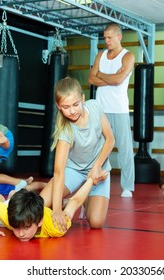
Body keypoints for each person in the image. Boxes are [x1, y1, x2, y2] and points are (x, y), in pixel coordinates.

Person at [38, 77, 114, 232]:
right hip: (74, 170)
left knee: (96, 222)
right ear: (58, 106)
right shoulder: (65, 132)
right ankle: (65, 201)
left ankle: (83, 200)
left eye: (75, 104)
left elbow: (110, 140)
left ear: (83, 99)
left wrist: (97, 166)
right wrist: (57, 210)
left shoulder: (94, 107)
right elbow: (59, 172)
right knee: (40, 205)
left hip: (99, 168)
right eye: (66, 107)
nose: (72, 111)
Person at [88, 22, 135, 198]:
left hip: (119, 108)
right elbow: (91, 79)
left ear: (119, 37)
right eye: (104, 37)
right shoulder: (101, 55)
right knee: (98, 147)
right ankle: (95, 180)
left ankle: (127, 186)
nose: (106, 40)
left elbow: (118, 80)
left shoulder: (128, 56)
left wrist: (100, 74)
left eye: (109, 37)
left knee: (124, 148)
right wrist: (110, 76)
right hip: (100, 108)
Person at [0, 176, 101, 241]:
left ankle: (10, 196)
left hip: (31, 210)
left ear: (40, 222)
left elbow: (75, 201)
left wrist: (91, 180)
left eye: (26, 227)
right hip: (9, 209)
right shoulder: (7, 216)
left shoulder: (56, 227)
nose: (21, 234)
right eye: (16, 228)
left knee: (5, 202)